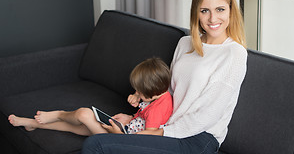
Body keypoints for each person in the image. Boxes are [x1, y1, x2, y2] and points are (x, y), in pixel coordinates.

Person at [81, 0, 248, 154]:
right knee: (100, 136)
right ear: (196, 14)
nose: (213, 18)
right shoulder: (185, 43)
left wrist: (158, 133)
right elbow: (166, 93)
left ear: (231, 10)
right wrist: (136, 119)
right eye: (205, 11)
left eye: (220, 9)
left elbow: (208, 115)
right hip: (167, 125)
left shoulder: (234, 53)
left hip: (199, 139)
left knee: (96, 145)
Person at [8, 57, 173, 136]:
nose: (137, 93)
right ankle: (32, 124)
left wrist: (119, 133)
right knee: (76, 127)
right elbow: (142, 115)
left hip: (123, 138)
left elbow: (149, 135)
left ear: (153, 91)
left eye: (140, 92)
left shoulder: (160, 108)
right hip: (125, 128)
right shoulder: (157, 94)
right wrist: (131, 113)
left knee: (83, 114)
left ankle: (58, 113)